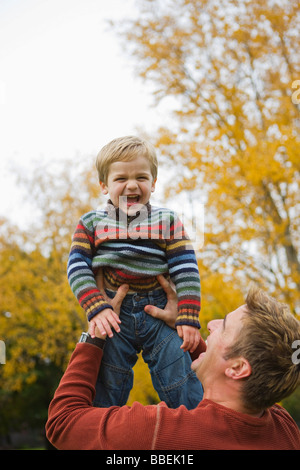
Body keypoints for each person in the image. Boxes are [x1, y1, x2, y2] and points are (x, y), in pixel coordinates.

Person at [46, 279, 300, 450]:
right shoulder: (283, 428)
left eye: (223, 326)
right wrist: (188, 332)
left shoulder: (159, 432)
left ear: (237, 368)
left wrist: (94, 334)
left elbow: (62, 423)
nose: (210, 324)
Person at [67, 136, 203, 409]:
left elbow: (185, 267)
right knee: (108, 382)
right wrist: (96, 306)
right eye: (120, 179)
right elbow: (77, 265)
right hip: (114, 315)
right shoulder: (92, 223)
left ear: (153, 183)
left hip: (159, 311)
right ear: (104, 185)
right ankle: (102, 434)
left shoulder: (167, 220)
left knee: (180, 376)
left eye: (141, 177)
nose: (131, 185)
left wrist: (188, 315)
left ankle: (194, 431)